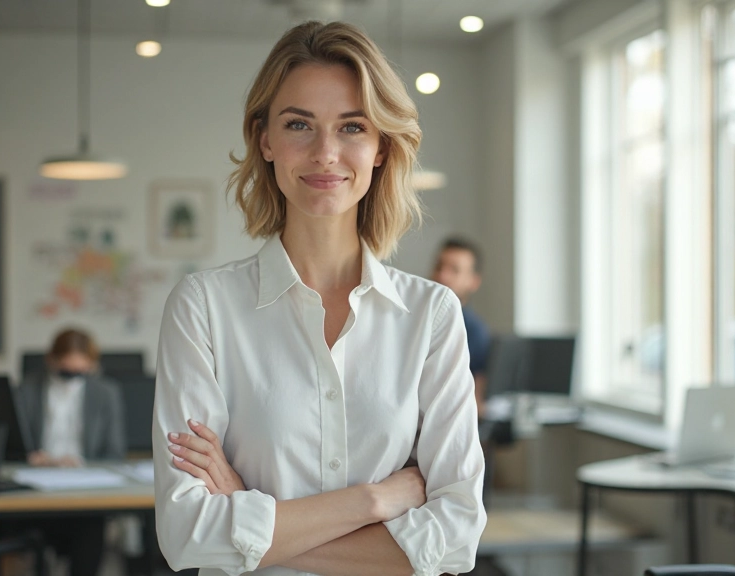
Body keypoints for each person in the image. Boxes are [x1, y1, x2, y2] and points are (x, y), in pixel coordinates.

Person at [152, 21, 487, 576]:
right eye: (299, 124)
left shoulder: (431, 315)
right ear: (264, 139)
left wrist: (252, 516)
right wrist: (374, 502)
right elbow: (187, 534)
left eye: (352, 126)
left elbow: (457, 538)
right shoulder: (203, 307)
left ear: (381, 146)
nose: (326, 152)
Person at [13, 327, 126, 576]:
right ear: (51, 360)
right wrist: (30, 456)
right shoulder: (26, 389)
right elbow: (14, 444)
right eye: (66, 372)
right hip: (37, 488)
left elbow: (115, 452)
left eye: (80, 373)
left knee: (91, 527)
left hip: (84, 488)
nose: (72, 377)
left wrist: (80, 461)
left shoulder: (106, 393)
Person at [432, 237, 491, 418]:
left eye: (454, 270)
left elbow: (476, 403)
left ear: (473, 281)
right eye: (440, 267)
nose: (443, 276)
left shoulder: (474, 332)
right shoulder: (413, 321)